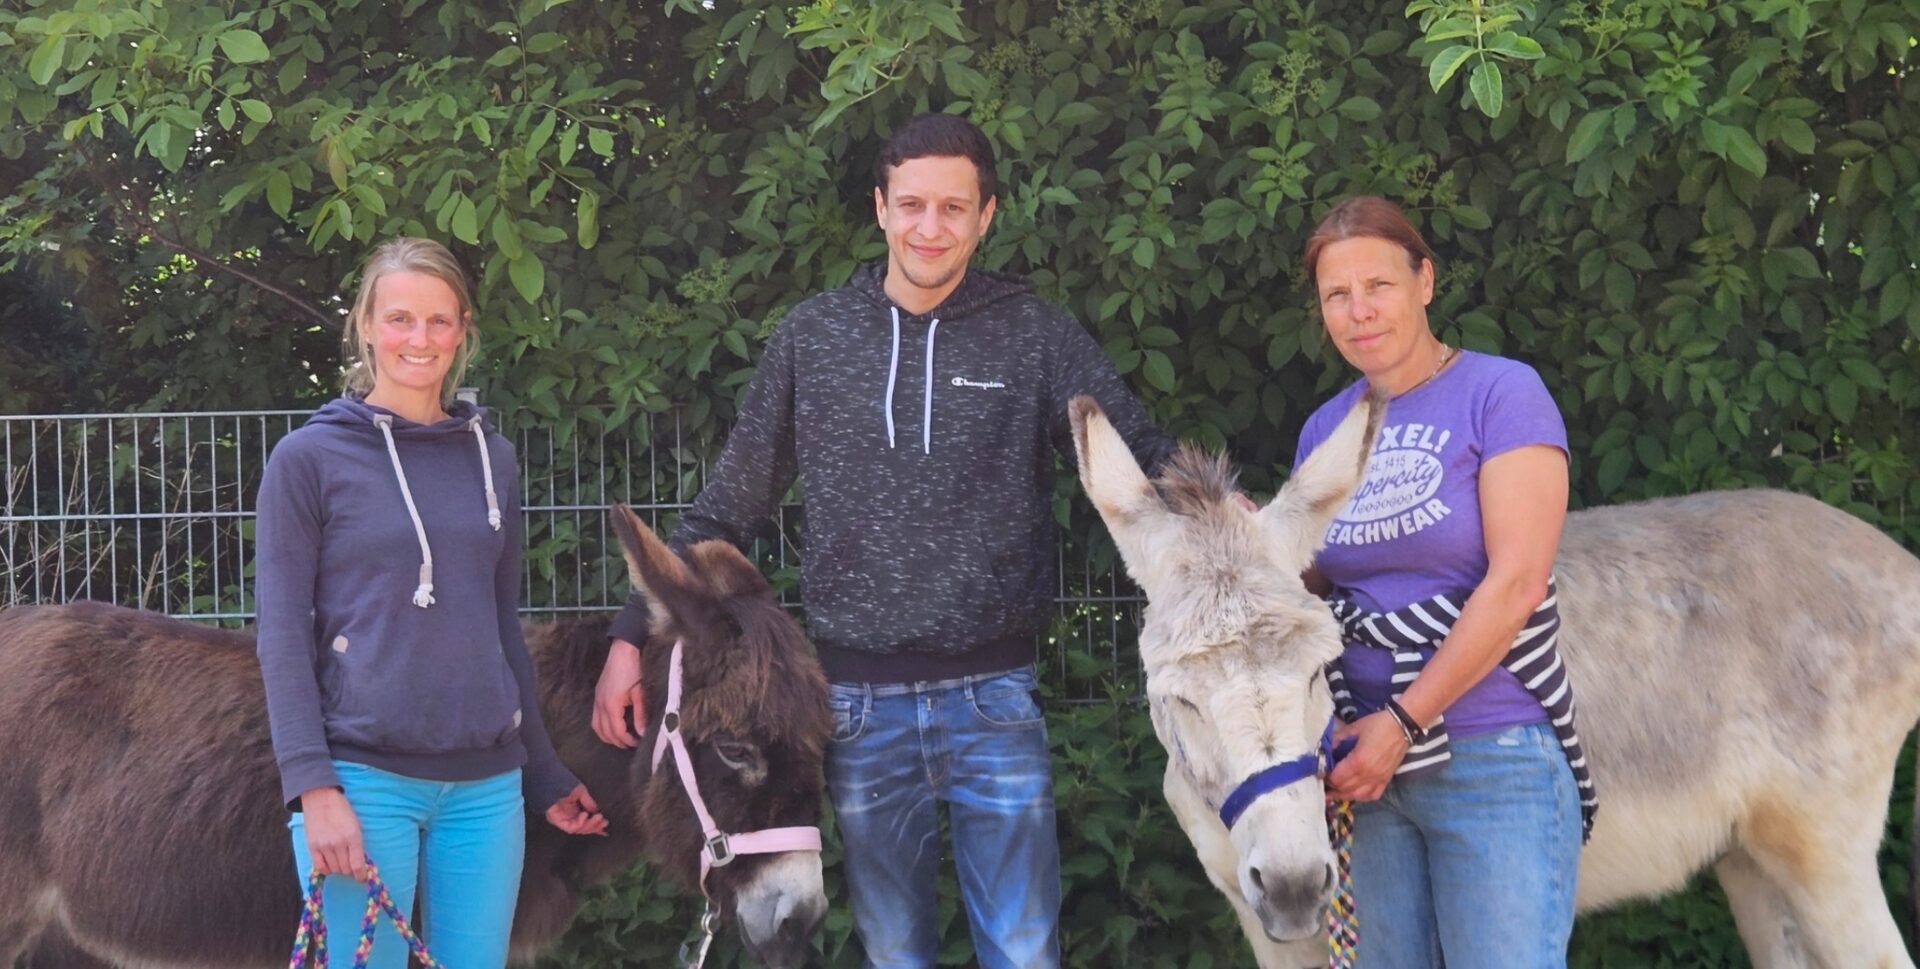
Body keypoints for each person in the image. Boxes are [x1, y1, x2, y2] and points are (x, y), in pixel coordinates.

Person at [590, 113, 1173, 969]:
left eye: (953, 207)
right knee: (894, 952)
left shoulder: (1035, 336)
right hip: (857, 709)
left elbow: (1141, 458)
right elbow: (722, 512)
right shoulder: (814, 337)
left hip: (994, 699)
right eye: (911, 205)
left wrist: (1246, 531)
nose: (930, 227)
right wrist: (624, 638)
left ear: (987, 215)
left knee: (1023, 949)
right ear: (879, 208)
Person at [255, 237, 607, 968]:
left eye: (439, 320)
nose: (420, 339)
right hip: (364, 782)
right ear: (365, 324)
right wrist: (312, 789)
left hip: (486, 792)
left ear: (462, 329)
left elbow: (499, 626)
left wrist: (542, 771)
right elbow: (282, 636)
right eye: (400, 319)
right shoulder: (307, 460)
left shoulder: (493, 458)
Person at [1291, 196, 1594, 968]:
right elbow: (1307, 588)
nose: (1359, 310)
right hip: (1363, 768)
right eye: (1337, 294)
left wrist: (1402, 721)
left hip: (1491, 753)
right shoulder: (1323, 430)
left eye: (1378, 285)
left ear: (1425, 280)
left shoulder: (1501, 394)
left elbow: (1517, 582)